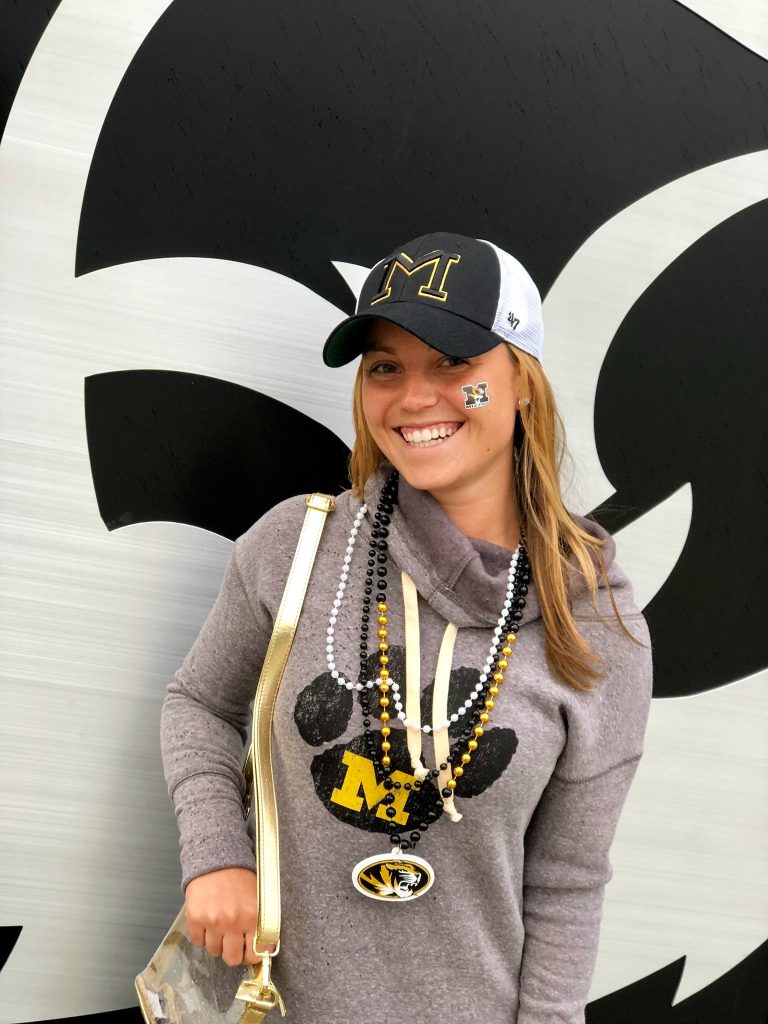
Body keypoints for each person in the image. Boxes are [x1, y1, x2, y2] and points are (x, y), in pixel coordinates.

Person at [160, 231, 653, 1023]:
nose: (414, 397)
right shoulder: (296, 546)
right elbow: (199, 705)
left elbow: (567, 881)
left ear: (522, 383)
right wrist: (216, 855)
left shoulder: (595, 620)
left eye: (453, 363)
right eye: (385, 367)